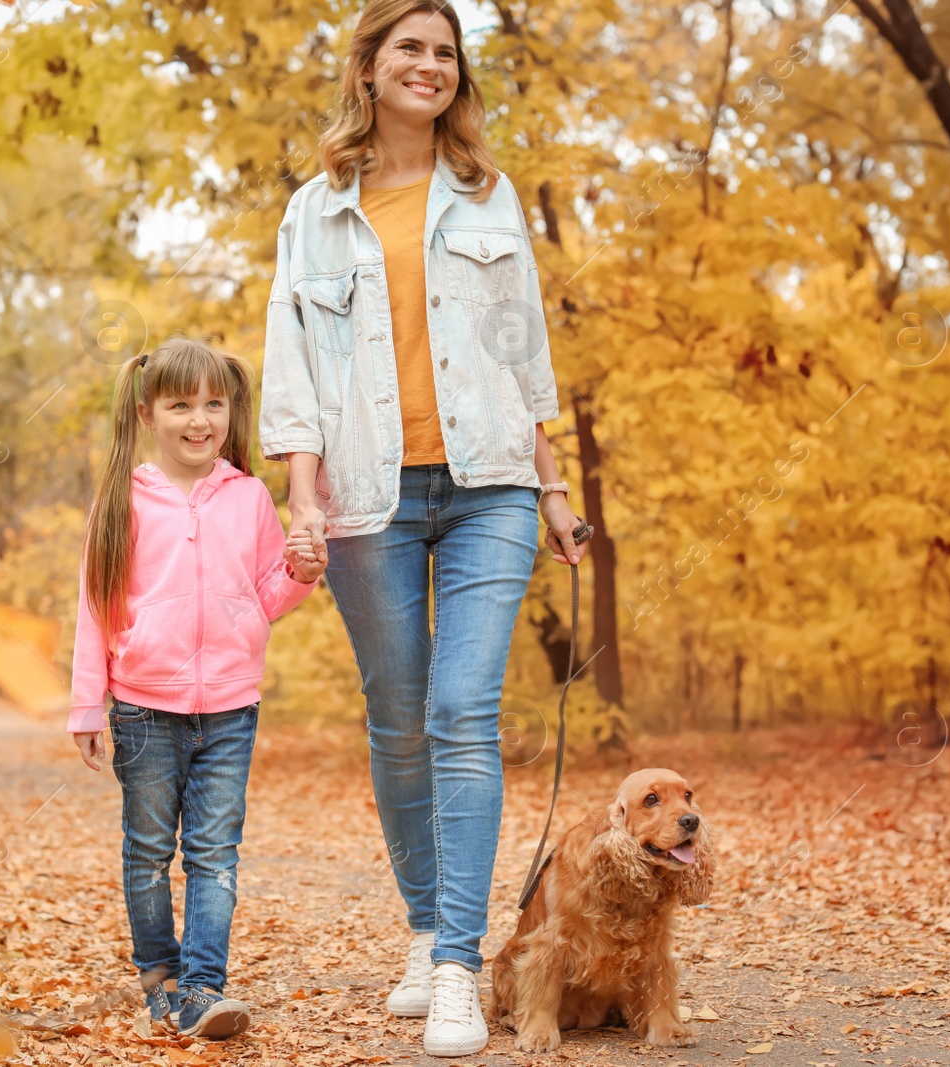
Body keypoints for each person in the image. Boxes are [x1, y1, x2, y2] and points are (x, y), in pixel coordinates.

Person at [259, 1, 588, 1057]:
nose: (429, 65)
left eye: (446, 53)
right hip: (367, 495)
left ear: (459, 77)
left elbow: (522, 351)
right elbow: (292, 367)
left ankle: (455, 963)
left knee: (461, 710)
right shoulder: (315, 211)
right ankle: (421, 927)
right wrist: (302, 494)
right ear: (369, 66)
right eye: (409, 46)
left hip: (490, 481)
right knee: (397, 717)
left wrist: (551, 485)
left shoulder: (490, 200)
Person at [69, 337, 326, 1040]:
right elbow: (95, 607)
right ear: (149, 411)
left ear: (230, 409)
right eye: (181, 404)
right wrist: (87, 703)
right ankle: (160, 978)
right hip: (144, 707)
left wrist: (302, 571)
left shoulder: (246, 498)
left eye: (214, 402)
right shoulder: (122, 501)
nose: (199, 419)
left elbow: (266, 595)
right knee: (149, 849)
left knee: (215, 850)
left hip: (232, 708)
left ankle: (203, 988)